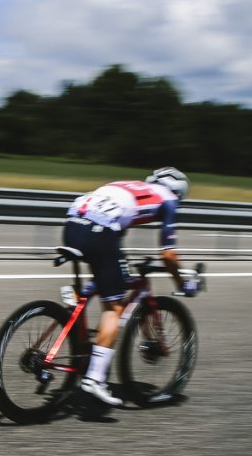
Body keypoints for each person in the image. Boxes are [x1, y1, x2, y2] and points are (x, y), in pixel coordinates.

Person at [62, 166, 200, 408]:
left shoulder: (131, 187)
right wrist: (182, 282)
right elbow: (168, 255)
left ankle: (76, 302)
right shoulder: (168, 200)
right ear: (178, 192)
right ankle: (94, 379)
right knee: (113, 308)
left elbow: (115, 239)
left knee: (106, 276)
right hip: (100, 232)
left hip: (72, 224)